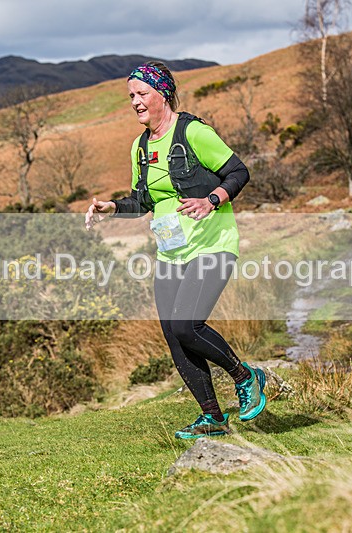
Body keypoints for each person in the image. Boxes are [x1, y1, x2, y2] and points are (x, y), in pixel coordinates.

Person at [85, 61, 266, 439]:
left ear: (162, 93)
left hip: (212, 246)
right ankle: (212, 417)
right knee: (174, 334)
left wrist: (211, 200)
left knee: (188, 325)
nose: (135, 102)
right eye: (130, 96)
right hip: (171, 254)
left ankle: (246, 376)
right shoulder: (139, 148)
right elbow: (142, 201)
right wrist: (111, 208)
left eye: (141, 93)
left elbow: (238, 172)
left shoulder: (194, 132)